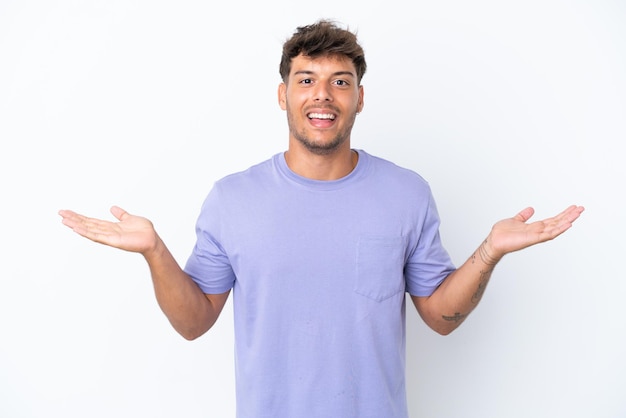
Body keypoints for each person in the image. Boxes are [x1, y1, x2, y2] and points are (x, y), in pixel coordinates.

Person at [59, 19, 584, 418]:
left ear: (359, 99)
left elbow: (439, 317)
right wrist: (155, 251)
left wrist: (489, 251)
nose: (322, 95)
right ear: (283, 95)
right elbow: (194, 322)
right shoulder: (232, 199)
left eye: (341, 82)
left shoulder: (406, 193)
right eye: (306, 79)